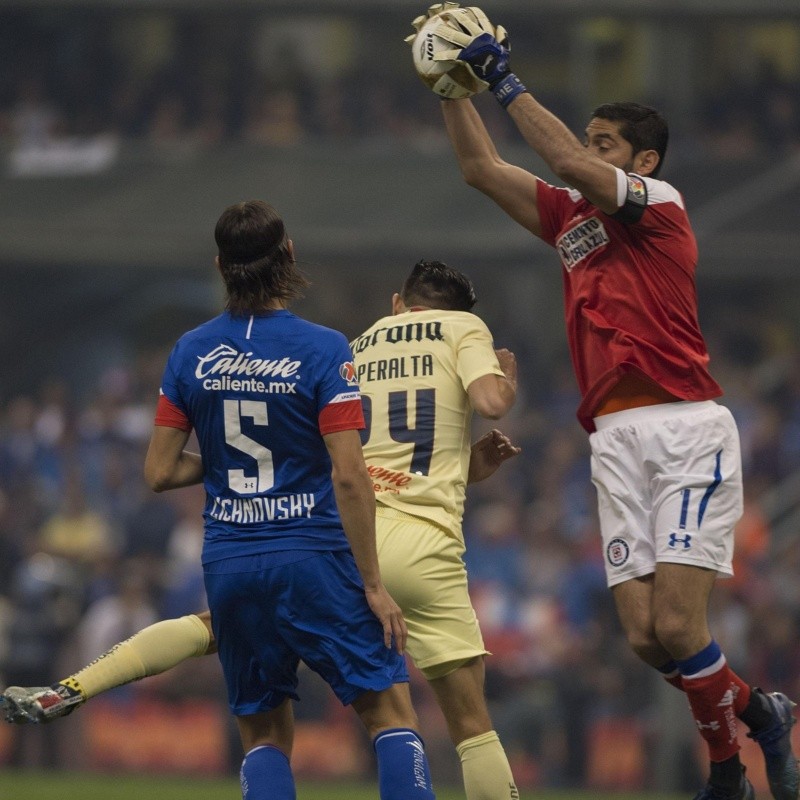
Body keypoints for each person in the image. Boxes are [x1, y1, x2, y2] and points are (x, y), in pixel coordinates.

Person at [402, 4, 800, 800]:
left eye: (604, 143)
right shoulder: (572, 219)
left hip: (686, 427)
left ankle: (728, 773)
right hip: (615, 440)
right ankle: (761, 711)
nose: (587, 152)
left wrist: (502, 77)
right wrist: (451, 83)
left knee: (684, 627)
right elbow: (483, 170)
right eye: (588, 139)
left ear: (643, 160)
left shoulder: (662, 205)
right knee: (649, 641)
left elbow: (566, 164)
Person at [2, 260, 521, 800]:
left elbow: (359, 458)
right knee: (457, 725)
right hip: (412, 545)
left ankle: (76, 686)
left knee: (214, 637)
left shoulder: (356, 346)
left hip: (332, 535)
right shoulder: (462, 329)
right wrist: (506, 375)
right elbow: (485, 406)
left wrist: (466, 465)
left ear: (397, 303)